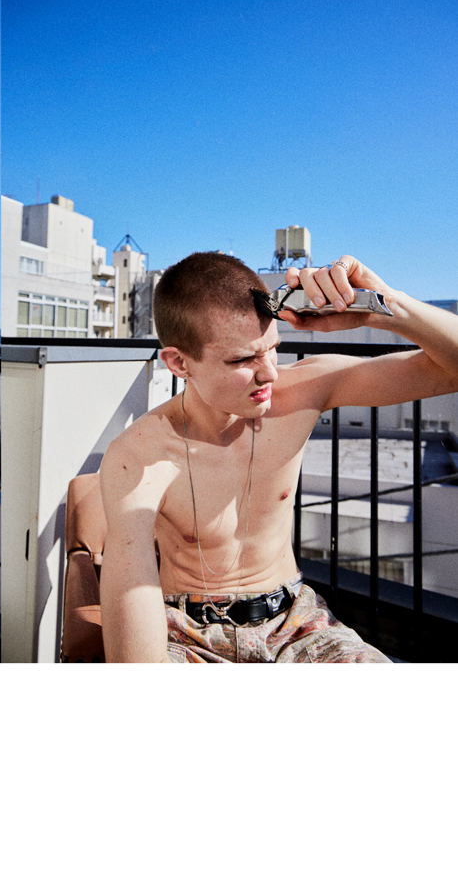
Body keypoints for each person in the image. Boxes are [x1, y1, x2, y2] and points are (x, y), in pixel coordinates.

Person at [99, 252, 458, 663]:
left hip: (297, 623)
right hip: (188, 635)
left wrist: (385, 306)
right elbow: (137, 657)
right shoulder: (139, 457)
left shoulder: (301, 391)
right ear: (179, 362)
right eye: (242, 359)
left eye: (272, 349)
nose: (269, 372)